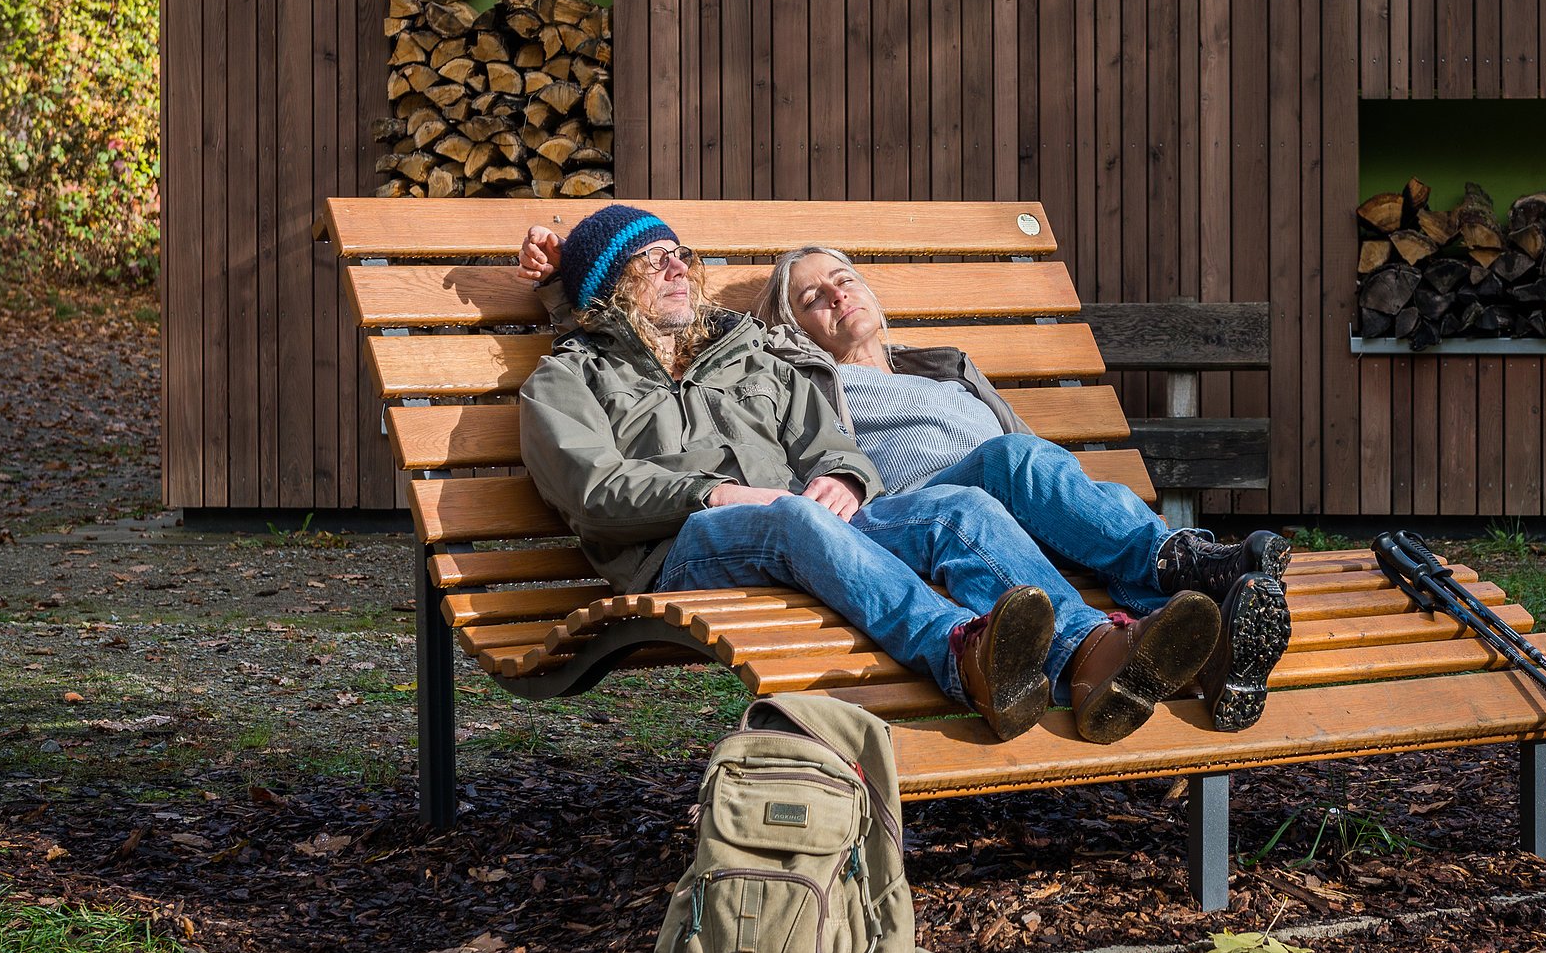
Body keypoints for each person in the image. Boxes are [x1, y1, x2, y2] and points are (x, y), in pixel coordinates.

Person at [518, 226, 1293, 734]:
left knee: (957, 506)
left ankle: (1093, 660)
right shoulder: (568, 380)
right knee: (795, 519)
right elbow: (593, 489)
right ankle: (963, 657)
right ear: (607, 286)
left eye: (681, 253)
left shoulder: (743, 358)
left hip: (804, 520)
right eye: (651, 258)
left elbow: (827, 437)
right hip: (681, 546)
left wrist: (846, 477)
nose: (676, 266)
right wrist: (714, 493)